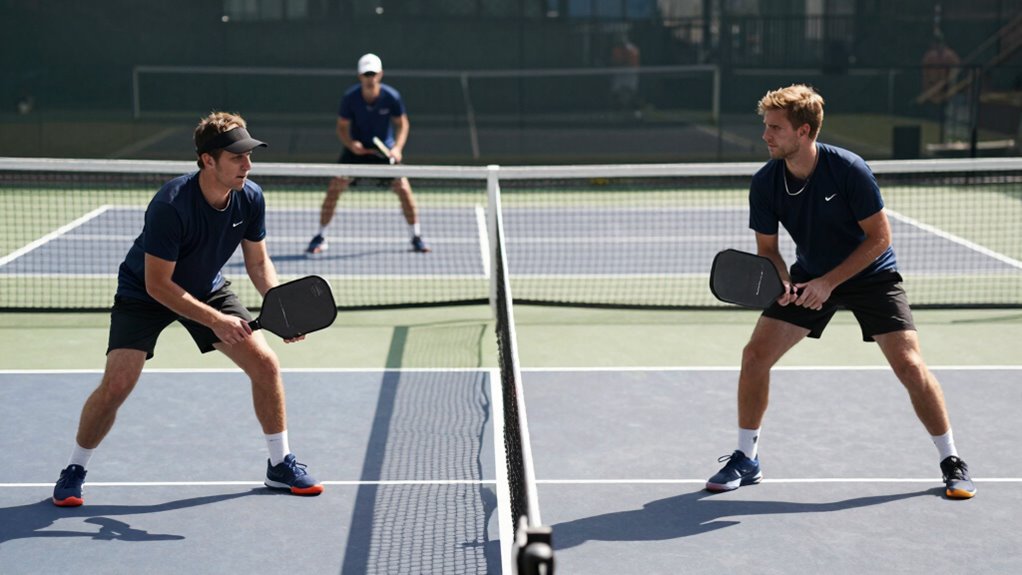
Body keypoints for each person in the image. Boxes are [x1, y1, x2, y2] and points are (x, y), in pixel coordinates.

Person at [704, 84, 975, 500]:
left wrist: (829, 283)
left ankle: (951, 459)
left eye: (775, 127)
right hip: (810, 275)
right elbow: (768, 250)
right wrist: (784, 283)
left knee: (909, 365)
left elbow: (880, 238)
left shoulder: (848, 169)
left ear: (804, 131)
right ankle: (747, 458)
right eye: (766, 126)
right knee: (755, 356)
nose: (765, 135)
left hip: (871, 277)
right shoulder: (765, 182)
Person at [51, 112, 323, 507]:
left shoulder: (250, 197)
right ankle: (75, 468)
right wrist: (217, 321)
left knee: (265, 364)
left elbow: (258, 262)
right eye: (237, 157)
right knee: (118, 384)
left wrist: (282, 307)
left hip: (207, 287)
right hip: (144, 294)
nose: (247, 165)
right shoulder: (171, 204)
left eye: (249, 155)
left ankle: (280, 465)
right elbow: (158, 285)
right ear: (208, 160)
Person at [307, 53, 429, 254]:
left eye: (373, 74)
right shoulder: (350, 98)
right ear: (360, 76)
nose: (370, 78)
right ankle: (320, 236)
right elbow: (342, 128)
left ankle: (416, 236)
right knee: (334, 189)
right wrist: (351, 144)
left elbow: (403, 124)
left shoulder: (391, 97)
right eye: (366, 74)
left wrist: (397, 148)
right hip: (356, 152)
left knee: (404, 189)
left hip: (384, 153)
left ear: (380, 74)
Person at [610, 33, 641, 118]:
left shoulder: (633, 49)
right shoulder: (616, 49)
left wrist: (624, 62)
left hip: (630, 75)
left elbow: (632, 63)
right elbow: (615, 62)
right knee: (617, 93)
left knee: (631, 93)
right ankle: (617, 113)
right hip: (619, 75)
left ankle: (635, 112)